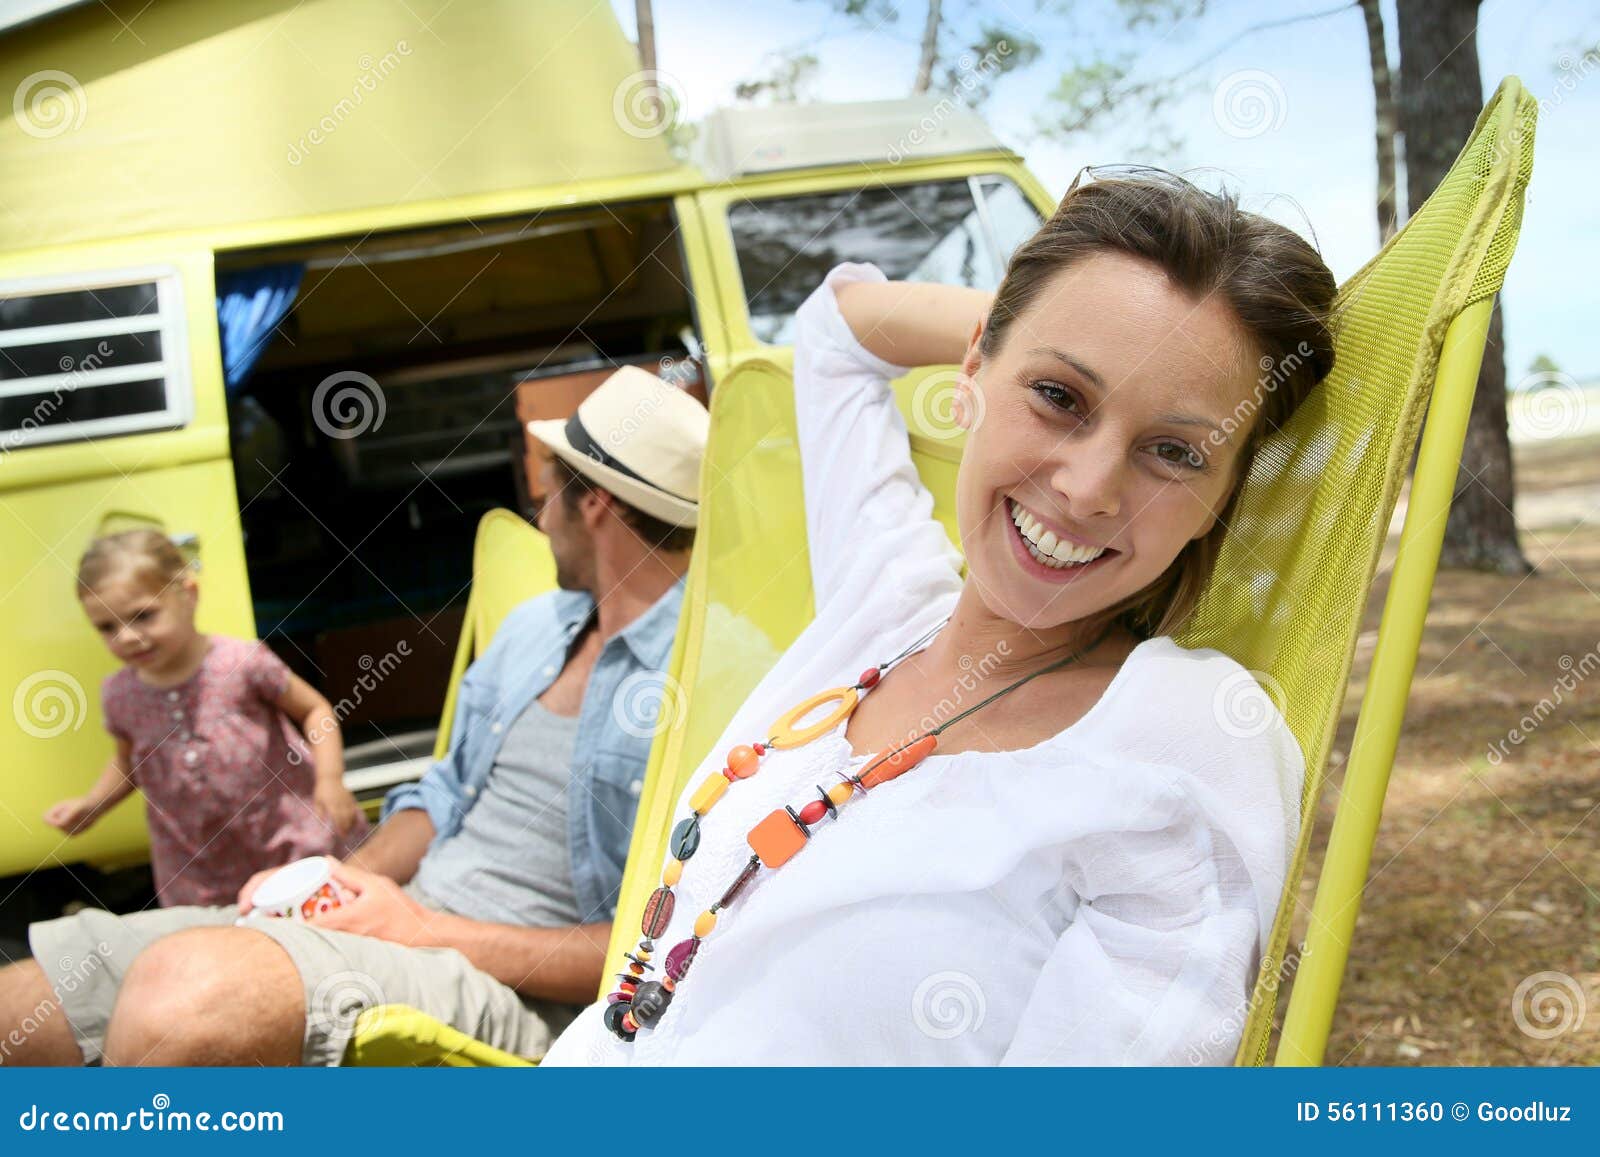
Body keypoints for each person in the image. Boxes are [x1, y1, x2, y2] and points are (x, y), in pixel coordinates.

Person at [540, 170, 1336, 1066]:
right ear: (970, 373)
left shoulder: (1178, 739)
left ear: (1222, 500)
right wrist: (1043, 321)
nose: (1086, 489)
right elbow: (836, 333)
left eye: (1174, 451)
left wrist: (1053, 348)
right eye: (1060, 396)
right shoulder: (884, 599)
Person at [0, 365, 709, 1066]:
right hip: (398, 916)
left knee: (180, 998)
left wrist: (424, 929)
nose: (540, 516)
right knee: (23, 999)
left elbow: (669, 947)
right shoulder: (533, 628)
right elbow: (439, 797)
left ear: (596, 506)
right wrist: (330, 883)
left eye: (552, 494)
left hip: (509, 988)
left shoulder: (701, 684)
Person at [43, 529, 365, 907]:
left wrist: (330, 780)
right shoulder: (119, 694)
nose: (127, 637)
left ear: (189, 595)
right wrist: (93, 803)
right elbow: (129, 763)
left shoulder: (240, 663)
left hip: (289, 843)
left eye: (143, 616)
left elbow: (315, 710)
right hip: (202, 874)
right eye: (107, 627)